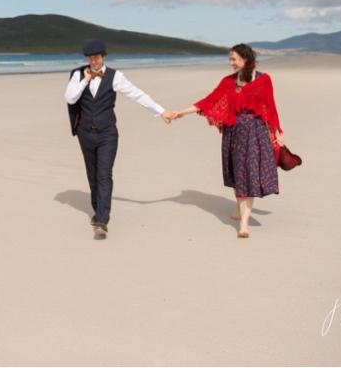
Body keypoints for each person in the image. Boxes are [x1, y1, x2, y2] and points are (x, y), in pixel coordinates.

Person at [165, 44, 283, 238]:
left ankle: (244, 224)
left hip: (255, 133)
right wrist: (181, 113)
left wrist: (276, 132)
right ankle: (238, 209)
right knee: (238, 171)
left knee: (249, 173)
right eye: (230, 59)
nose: (231, 63)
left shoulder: (264, 80)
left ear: (245, 59)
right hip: (234, 133)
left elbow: (271, 107)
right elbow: (208, 101)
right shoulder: (228, 82)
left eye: (234, 59)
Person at [64, 39, 168, 240]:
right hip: (85, 133)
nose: (93, 61)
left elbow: (137, 95)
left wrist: (161, 111)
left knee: (104, 174)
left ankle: (102, 220)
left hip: (107, 133)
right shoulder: (77, 74)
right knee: (92, 175)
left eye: (97, 57)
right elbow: (70, 98)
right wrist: (85, 80)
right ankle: (97, 210)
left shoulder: (115, 76)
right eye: (90, 58)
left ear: (104, 56)